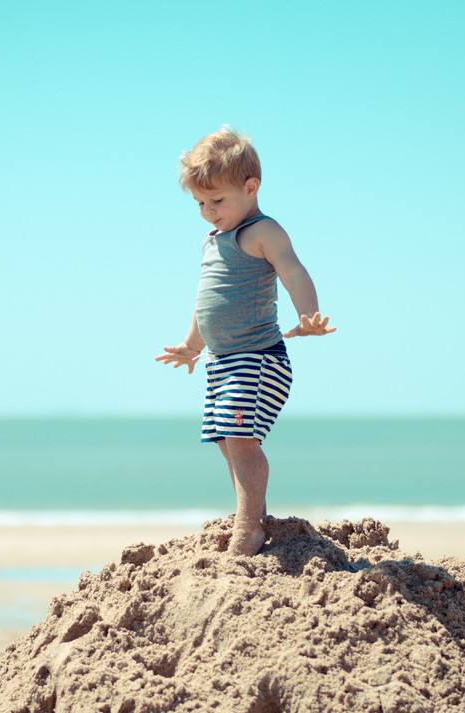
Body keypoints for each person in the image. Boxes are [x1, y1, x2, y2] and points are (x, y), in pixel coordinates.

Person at [155, 125, 336, 557]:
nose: (208, 211)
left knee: (241, 439)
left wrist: (307, 315)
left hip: (258, 358)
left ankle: (248, 527)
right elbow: (207, 300)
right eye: (200, 202)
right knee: (225, 439)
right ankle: (255, 515)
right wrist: (192, 345)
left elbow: (293, 271)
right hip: (221, 361)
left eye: (217, 200)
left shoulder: (262, 230)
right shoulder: (211, 240)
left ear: (250, 187)